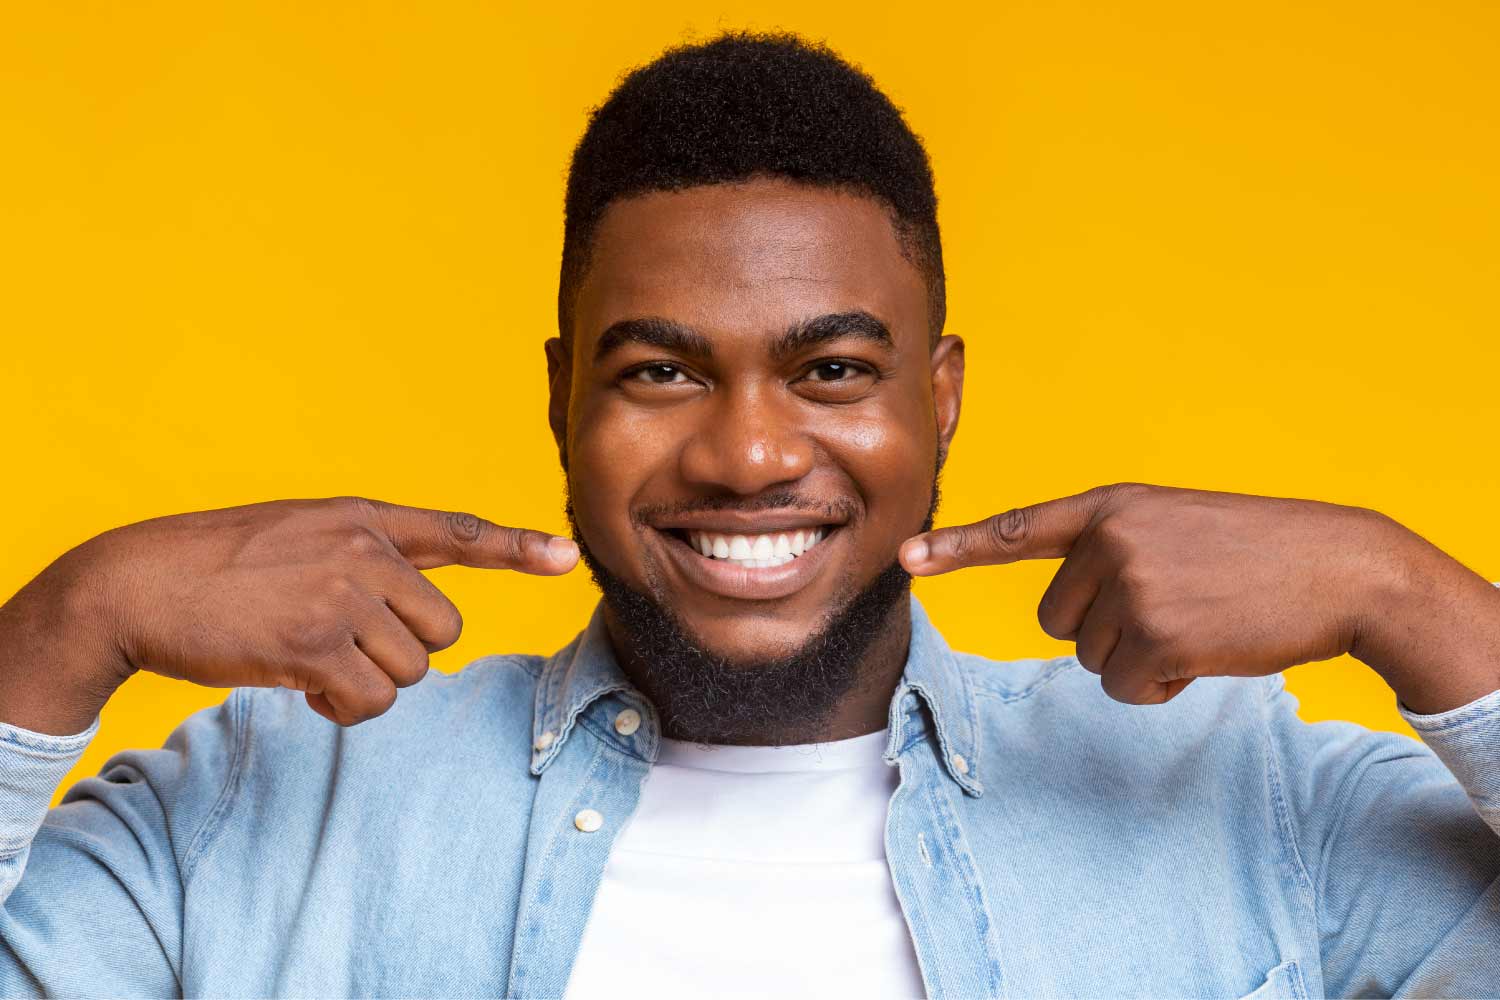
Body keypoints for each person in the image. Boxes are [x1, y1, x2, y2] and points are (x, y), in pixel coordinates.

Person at [1, 30, 1496, 1000]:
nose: (748, 452)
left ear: (944, 397)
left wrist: (1408, 597)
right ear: (560, 399)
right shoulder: (261, 808)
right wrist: (70, 621)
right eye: (659, 371)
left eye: (832, 369)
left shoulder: (1242, 802)